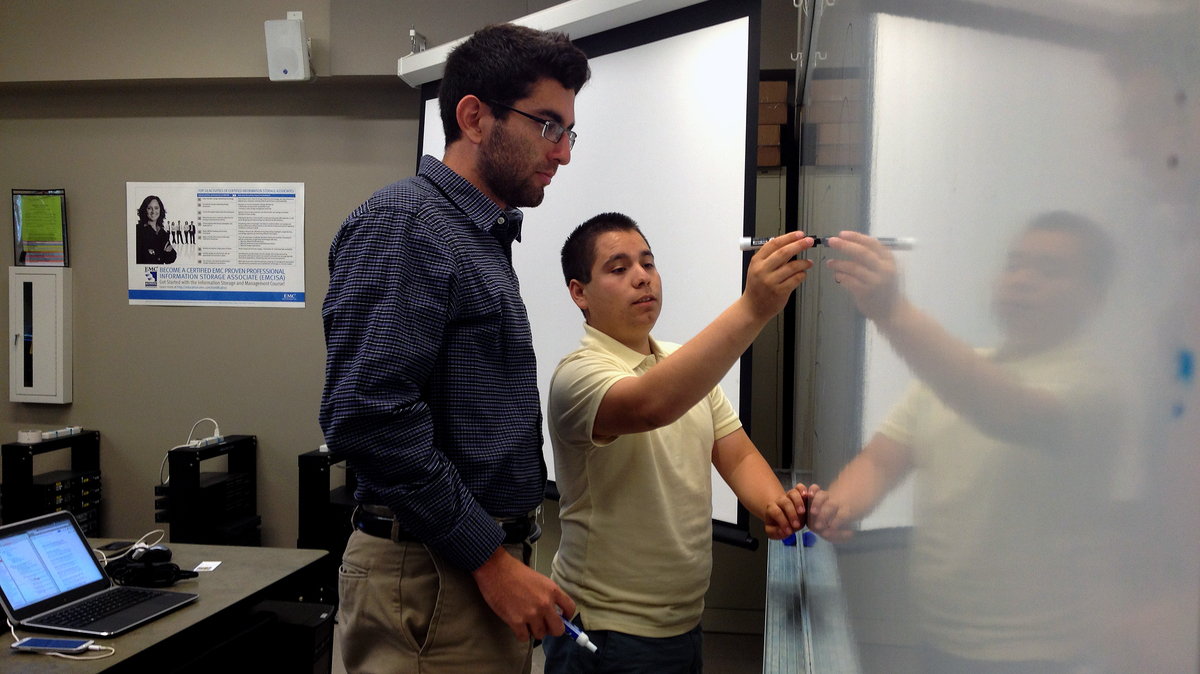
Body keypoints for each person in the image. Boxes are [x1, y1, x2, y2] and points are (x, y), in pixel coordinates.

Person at [319, 24, 591, 674]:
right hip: (432, 576)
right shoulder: (407, 224)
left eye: (569, 132)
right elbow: (368, 418)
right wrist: (489, 560)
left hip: (460, 567)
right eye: (549, 126)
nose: (564, 154)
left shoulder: (475, 233)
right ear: (474, 115)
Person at [805, 213, 1121, 673]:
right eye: (1015, 264)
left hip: (1040, 657)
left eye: (1049, 269)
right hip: (940, 643)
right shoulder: (954, 372)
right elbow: (882, 459)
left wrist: (893, 310)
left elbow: (1007, 411)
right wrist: (837, 507)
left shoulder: (1094, 387)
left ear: (1094, 296)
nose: (1022, 280)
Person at [542, 213, 813, 674]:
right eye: (618, 268)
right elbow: (651, 405)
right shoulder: (576, 375)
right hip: (606, 631)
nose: (642, 276)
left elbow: (737, 451)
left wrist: (776, 506)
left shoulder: (681, 366)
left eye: (648, 263)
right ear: (579, 292)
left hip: (683, 623)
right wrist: (753, 308)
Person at [134, 195, 175, 265]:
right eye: (149, 208)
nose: (153, 211)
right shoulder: (138, 230)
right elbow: (140, 257)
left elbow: (170, 258)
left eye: (156, 208)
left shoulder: (163, 233)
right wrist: (162, 253)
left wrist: (155, 253)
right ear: (144, 210)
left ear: (160, 210)